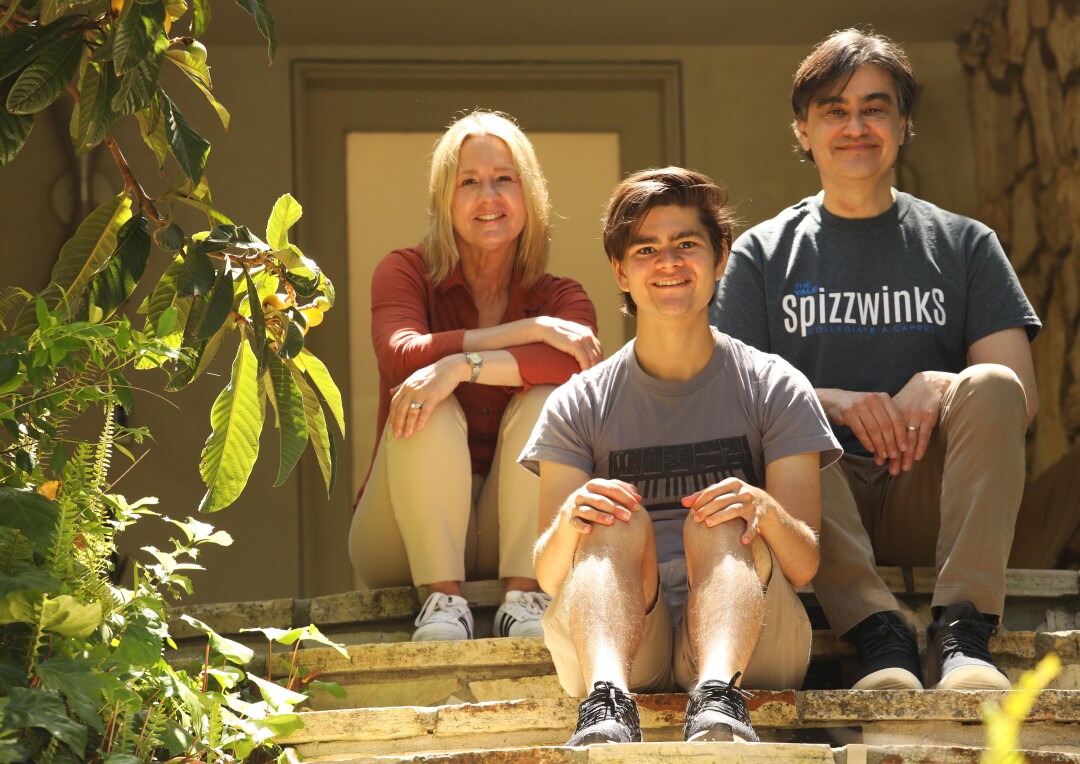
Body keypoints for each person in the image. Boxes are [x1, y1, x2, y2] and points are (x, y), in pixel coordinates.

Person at [711, 29, 1041, 691]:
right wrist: (830, 402)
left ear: (903, 123)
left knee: (990, 381)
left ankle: (963, 632)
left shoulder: (965, 243)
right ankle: (877, 633)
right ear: (803, 130)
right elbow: (726, 399)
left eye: (875, 107)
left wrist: (941, 383)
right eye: (834, 109)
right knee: (782, 417)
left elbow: (1020, 397)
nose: (855, 126)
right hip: (816, 510)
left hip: (931, 500)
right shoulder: (759, 255)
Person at [521, 167, 841, 745]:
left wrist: (760, 506)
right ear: (620, 270)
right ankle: (605, 707)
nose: (668, 261)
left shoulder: (773, 385)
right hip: (616, 634)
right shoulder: (579, 402)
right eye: (646, 249)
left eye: (686, 244)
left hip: (749, 636)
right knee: (611, 521)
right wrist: (574, 519)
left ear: (721, 257)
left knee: (721, 519)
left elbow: (805, 564)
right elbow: (547, 574)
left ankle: (719, 698)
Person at [349, 110, 603, 642]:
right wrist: (528, 330)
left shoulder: (564, 297)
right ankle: (441, 600)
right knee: (427, 394)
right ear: (445, 200)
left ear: (530, 194)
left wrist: (462, 366)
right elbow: (402, 355)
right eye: (469, 182)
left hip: (515, 535)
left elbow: (578, 367)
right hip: (399, 537)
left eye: (504, 179)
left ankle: (526, 596)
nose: (488, 196)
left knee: (548, 399)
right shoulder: (403, 270)